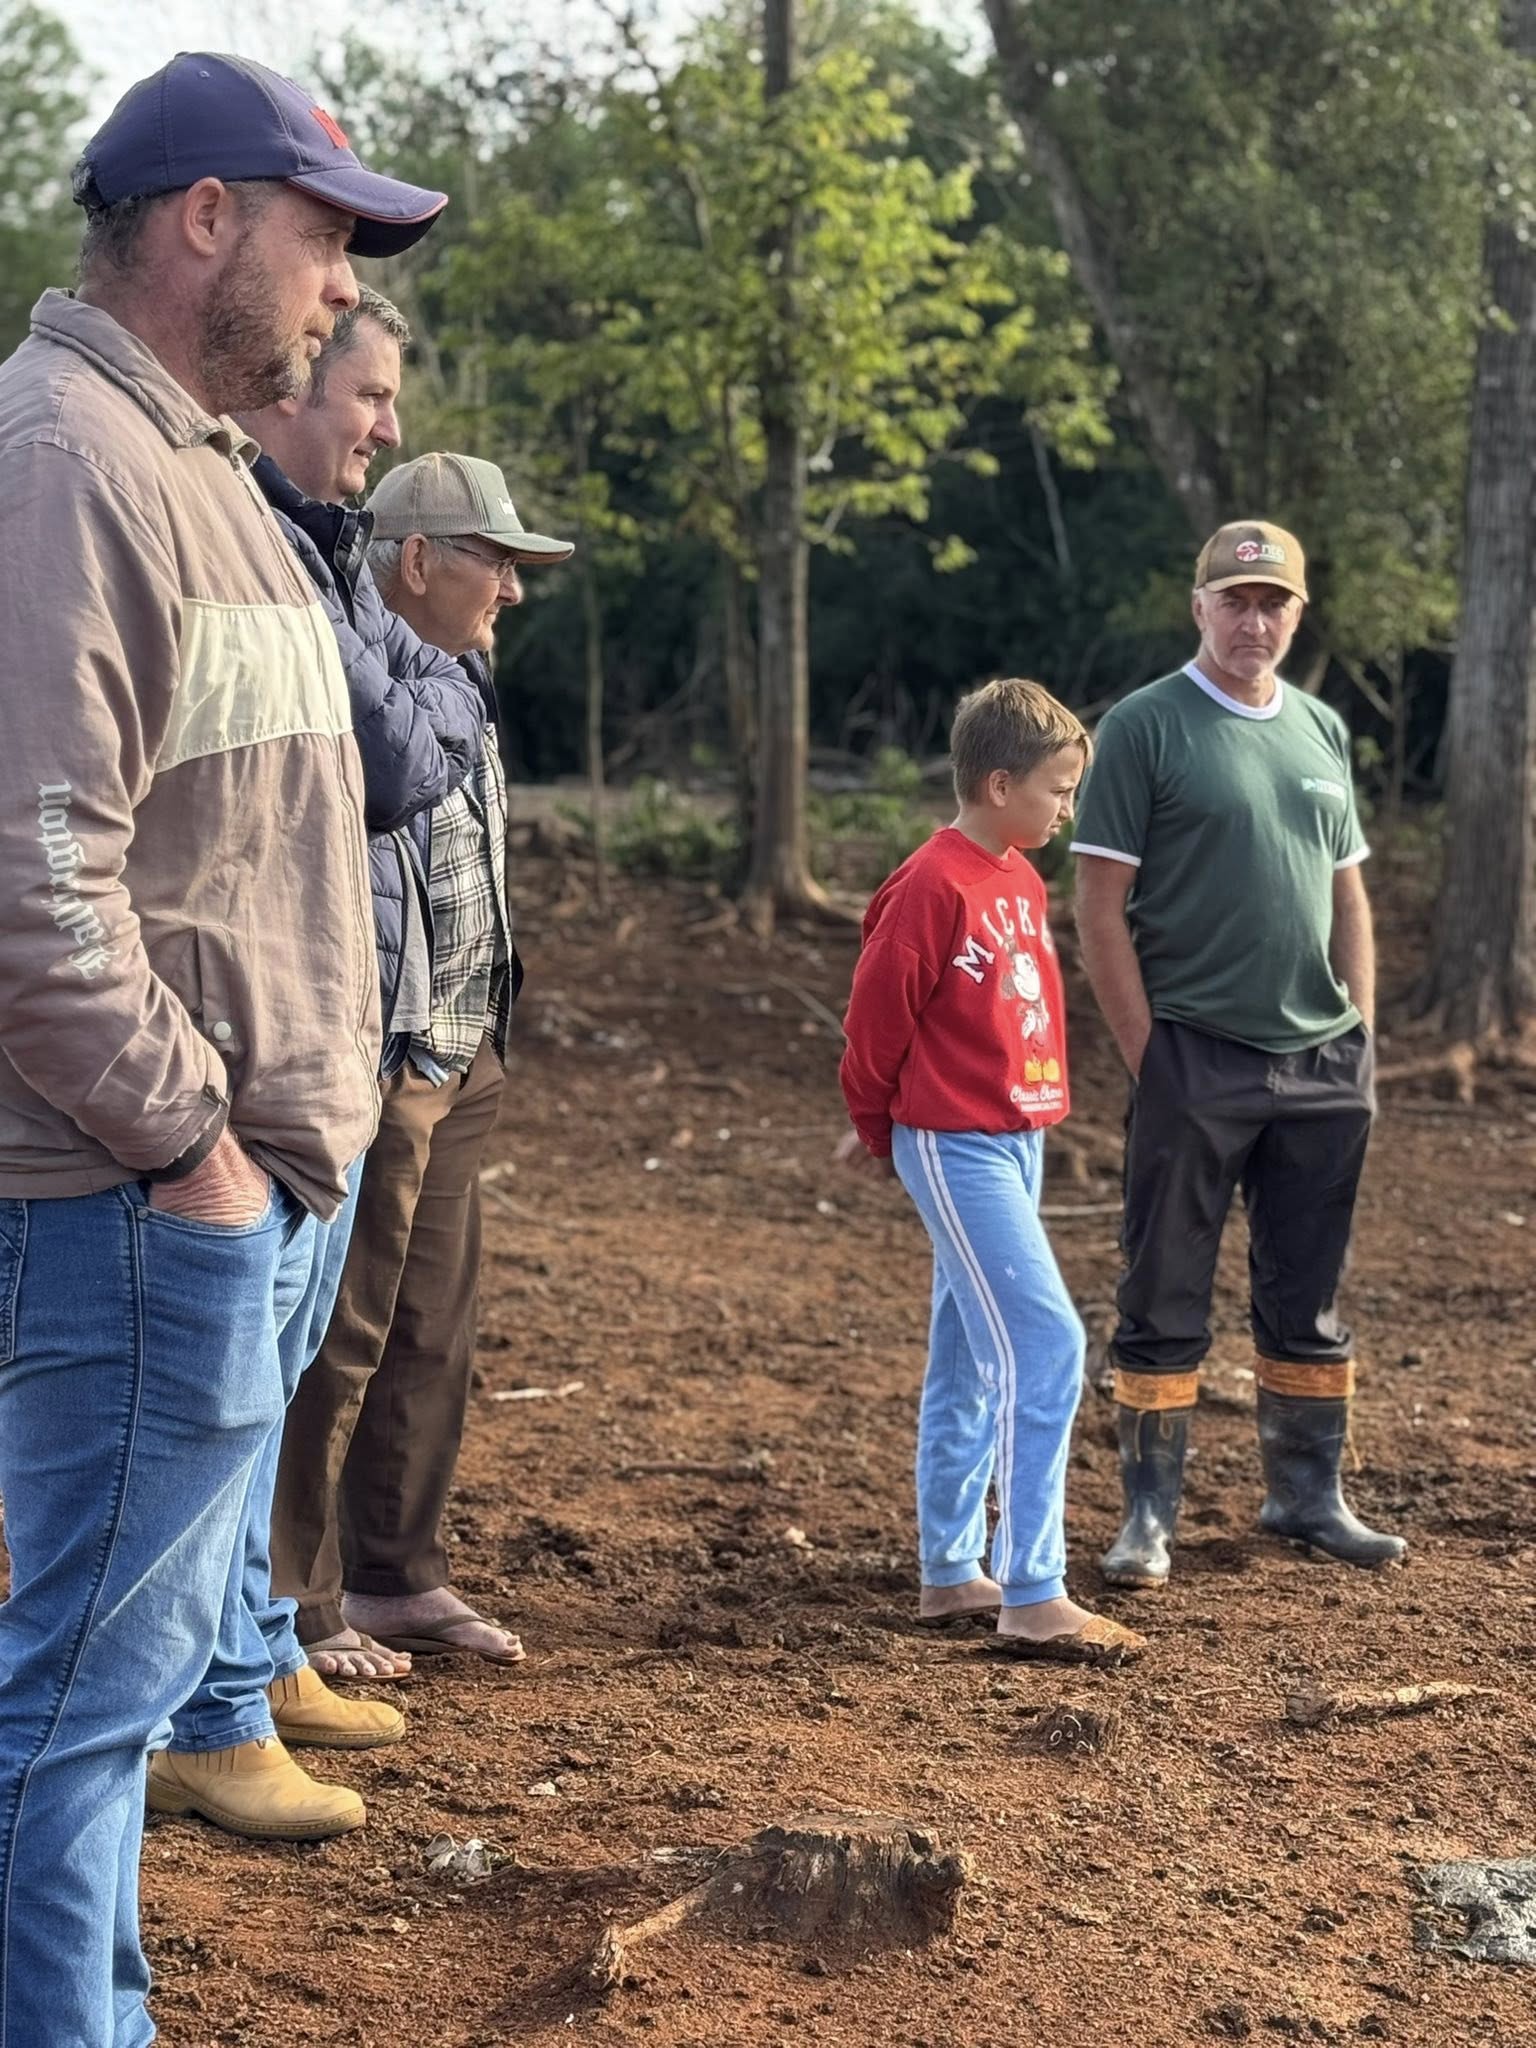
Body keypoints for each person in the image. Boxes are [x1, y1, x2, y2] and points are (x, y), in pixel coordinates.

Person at [0, 50, 446, 2048]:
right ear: (206, 218)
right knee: (78, 1708)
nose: (347, 286)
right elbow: (33, 883)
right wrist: (197, 1154)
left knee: (116, 1696)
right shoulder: (65, 462)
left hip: (219, 1202)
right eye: (329, 237)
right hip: (130, 1205)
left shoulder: (194, 465)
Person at [146, 293, 492, 1838]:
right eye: (370, 393)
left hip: (325, 1031)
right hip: (241, 1041)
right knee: (236, 1398)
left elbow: (411, 728)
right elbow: (405, 751)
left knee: (275, 1375)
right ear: (289, 389)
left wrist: (425, 681)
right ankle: (211, 1707)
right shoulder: (265, 545)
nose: (387, 424)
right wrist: (434, 680)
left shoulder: (328, 552)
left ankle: (254, 1662)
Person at [271, 451, 573, 1670]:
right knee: (341, 1329)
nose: (514, 589)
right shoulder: (353, 664)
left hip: (464, 1038)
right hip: (389, 1046)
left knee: (432, 1326)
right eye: (496, 561)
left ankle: (397, 1573)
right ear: (417, 559)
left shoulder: (462, 671)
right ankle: (298, 1603)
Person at [1070, 520, 1407, 1589]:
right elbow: (1098, 906)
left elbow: (1348, 894)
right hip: (1196, 1054)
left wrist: (1359, 1034)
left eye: (1274, 604)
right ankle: (1147, 1517)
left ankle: (1307, 1496)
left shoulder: (1321, 728)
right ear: (1199, 606)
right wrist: (1150, 1055)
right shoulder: (1143, 726)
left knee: (1307, 1291)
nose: (1253, 621)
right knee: (1163, 1286)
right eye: (1235, 601)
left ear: (1297, 616)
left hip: (1321, 1063)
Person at [836, 679, 1146, 1666]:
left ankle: (950, 1568)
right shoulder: (931, 884)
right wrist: (881, 1132)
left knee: (972, 1351)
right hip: (955, 1139)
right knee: (1047, 1344)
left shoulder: (1018, 877)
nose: (1068, 810)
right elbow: (873, 1027)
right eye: (1058, 790)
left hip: (1016, 1137)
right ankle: (1034, 1588)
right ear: (1000, 783)